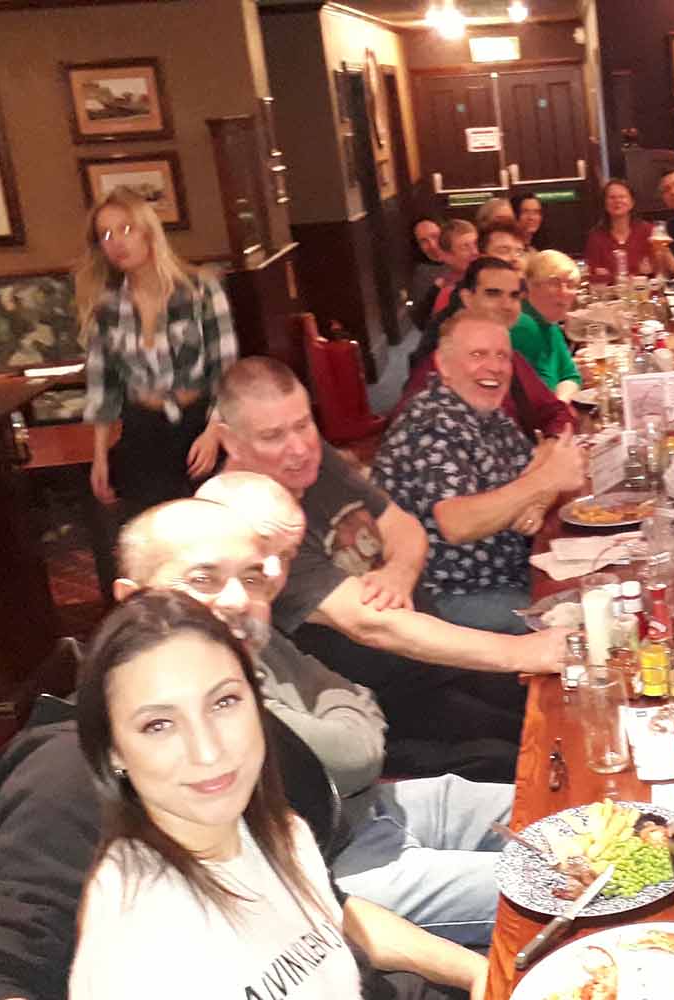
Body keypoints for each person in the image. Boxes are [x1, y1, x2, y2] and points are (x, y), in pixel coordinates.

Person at [118, 490, 517, 939]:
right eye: (203, 579)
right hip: (327, 872)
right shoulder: (155, 712)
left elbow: (356, 697)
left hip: (368, 806)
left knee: (557, 817)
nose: (236, 599)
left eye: (251, 578)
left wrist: (348, 716)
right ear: (132, 598)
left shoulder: (244, 639)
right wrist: (346, 715)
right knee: (554, 884)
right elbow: (354, 756)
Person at [67, 592, 487, 1000]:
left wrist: (477, 971)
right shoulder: (139, 938)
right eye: (159, 725)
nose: (207, 751)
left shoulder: (280, 833)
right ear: (113, 751)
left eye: (224, 702)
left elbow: (337, 924)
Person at [213, 357, 566, 736]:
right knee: (539, 740)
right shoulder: (249, 526)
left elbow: (404, 528)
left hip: (440, 658)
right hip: (390, 708)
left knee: (568, 699)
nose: (298, 447)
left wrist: (398, 573)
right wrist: (522, 652)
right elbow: (373, 625)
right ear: (231, 441)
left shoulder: (312, 462)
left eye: (303, 424)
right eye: (273, 436)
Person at [373, 314, 588, 634]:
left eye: (503, 356)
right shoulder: (431, 423)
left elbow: (542, 466)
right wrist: (543, 482)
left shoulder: (486, 413)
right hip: (450, 597)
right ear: (443, 365)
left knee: (605, 590)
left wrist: (537, 497)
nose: (495, 367)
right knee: (586, 626)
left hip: (510, 573)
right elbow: (456, 523)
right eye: (478, 354)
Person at [78, 186, 237, 515]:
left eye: (126, 229)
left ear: (148, 231)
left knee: (211, 523)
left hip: (199, 425)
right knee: (153, 531)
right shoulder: (107, 306)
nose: (117, 242)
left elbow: (225, 369)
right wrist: (99, 456)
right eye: (105, 235)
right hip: (143, 430)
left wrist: (214, 432)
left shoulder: (200, 289)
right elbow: (103, 386)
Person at [403, 257, 577, 438]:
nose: (507, 305)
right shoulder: (437, 370)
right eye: (493, 294)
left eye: (514, 296)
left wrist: (553, 442)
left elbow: (555, 411)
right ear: (467, 298)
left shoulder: (507, 355)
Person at [513, 249, 583, 399]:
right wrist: (559, 404)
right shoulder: (523, 326)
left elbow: (571, 376)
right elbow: (542, 394)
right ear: (530, 285)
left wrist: (560, 404)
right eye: (554, 283)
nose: (564, 292)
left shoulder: (550, 324)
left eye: (570, 284)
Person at [583, 178, 655, 285]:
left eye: (622, 197)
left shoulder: (648, 231)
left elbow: (656, 269)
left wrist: (609, 276)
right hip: (609, 295)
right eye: (612, 197)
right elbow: (592, 275)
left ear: (632, 202)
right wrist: (635, 275)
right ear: (605, 204)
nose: (617, 201)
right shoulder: (596, 237)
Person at [415, 219, 480, 330]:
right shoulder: (447, 296)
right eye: (465, 247)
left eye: (476, 244)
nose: (475, 252)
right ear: (447, 256)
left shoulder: (493, 274)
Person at [408, 216, 448, 309]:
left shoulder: (467, 262)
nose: (432, 245)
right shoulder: (420, 276)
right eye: (423, 241)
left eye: (435, 236)